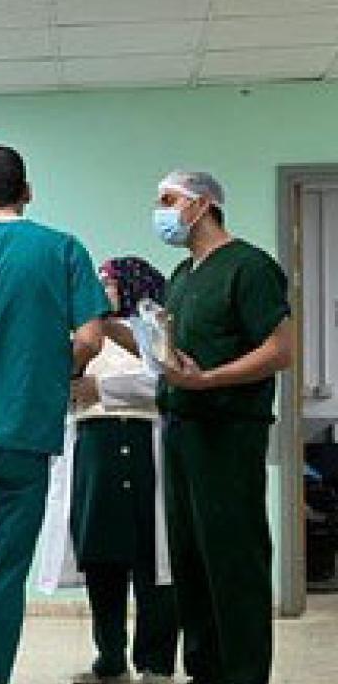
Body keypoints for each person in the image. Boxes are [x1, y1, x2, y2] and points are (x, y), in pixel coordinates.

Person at [0, 145, 109, 684]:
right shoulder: (61, 250)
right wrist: (51, 374)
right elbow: (90, 337)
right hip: (22, 437)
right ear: (27, 192)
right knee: (2, 577)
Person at [149, 171, 293, 684]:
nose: (160, 212)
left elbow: (281, 350)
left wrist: (209, 380)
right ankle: (205, 672)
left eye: (168, 200)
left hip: (228, 432)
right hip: (182, 428)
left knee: (234, 559)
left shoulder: (249, 267)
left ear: (203, 203)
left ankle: (245, 674)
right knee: (190, 563)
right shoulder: (183, 275)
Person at [68, 257, 177, 684]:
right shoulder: (87, 336)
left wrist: (103, 389)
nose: (100, 289)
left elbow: (167, 383)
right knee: (102, 557)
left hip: (150, 449)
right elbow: (70, 387)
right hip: (97, 451)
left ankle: (156, 659)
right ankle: (109, 653)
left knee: (155, 560)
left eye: (108, 283)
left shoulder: (157, 330)